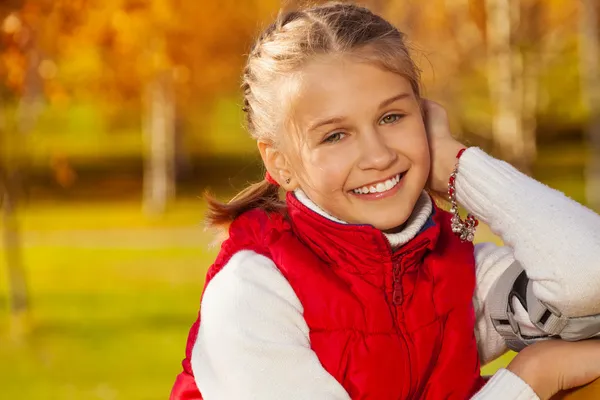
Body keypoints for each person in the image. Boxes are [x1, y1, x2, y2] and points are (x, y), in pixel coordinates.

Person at [171, 3, 600, 399]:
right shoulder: (251, 294)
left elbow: (591, 277)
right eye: (335, 135)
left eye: (392, 117)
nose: (378, 156)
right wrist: (533, 378)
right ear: (280, 163)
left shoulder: (451, 265)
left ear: (425, 114)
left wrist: (453, 164)